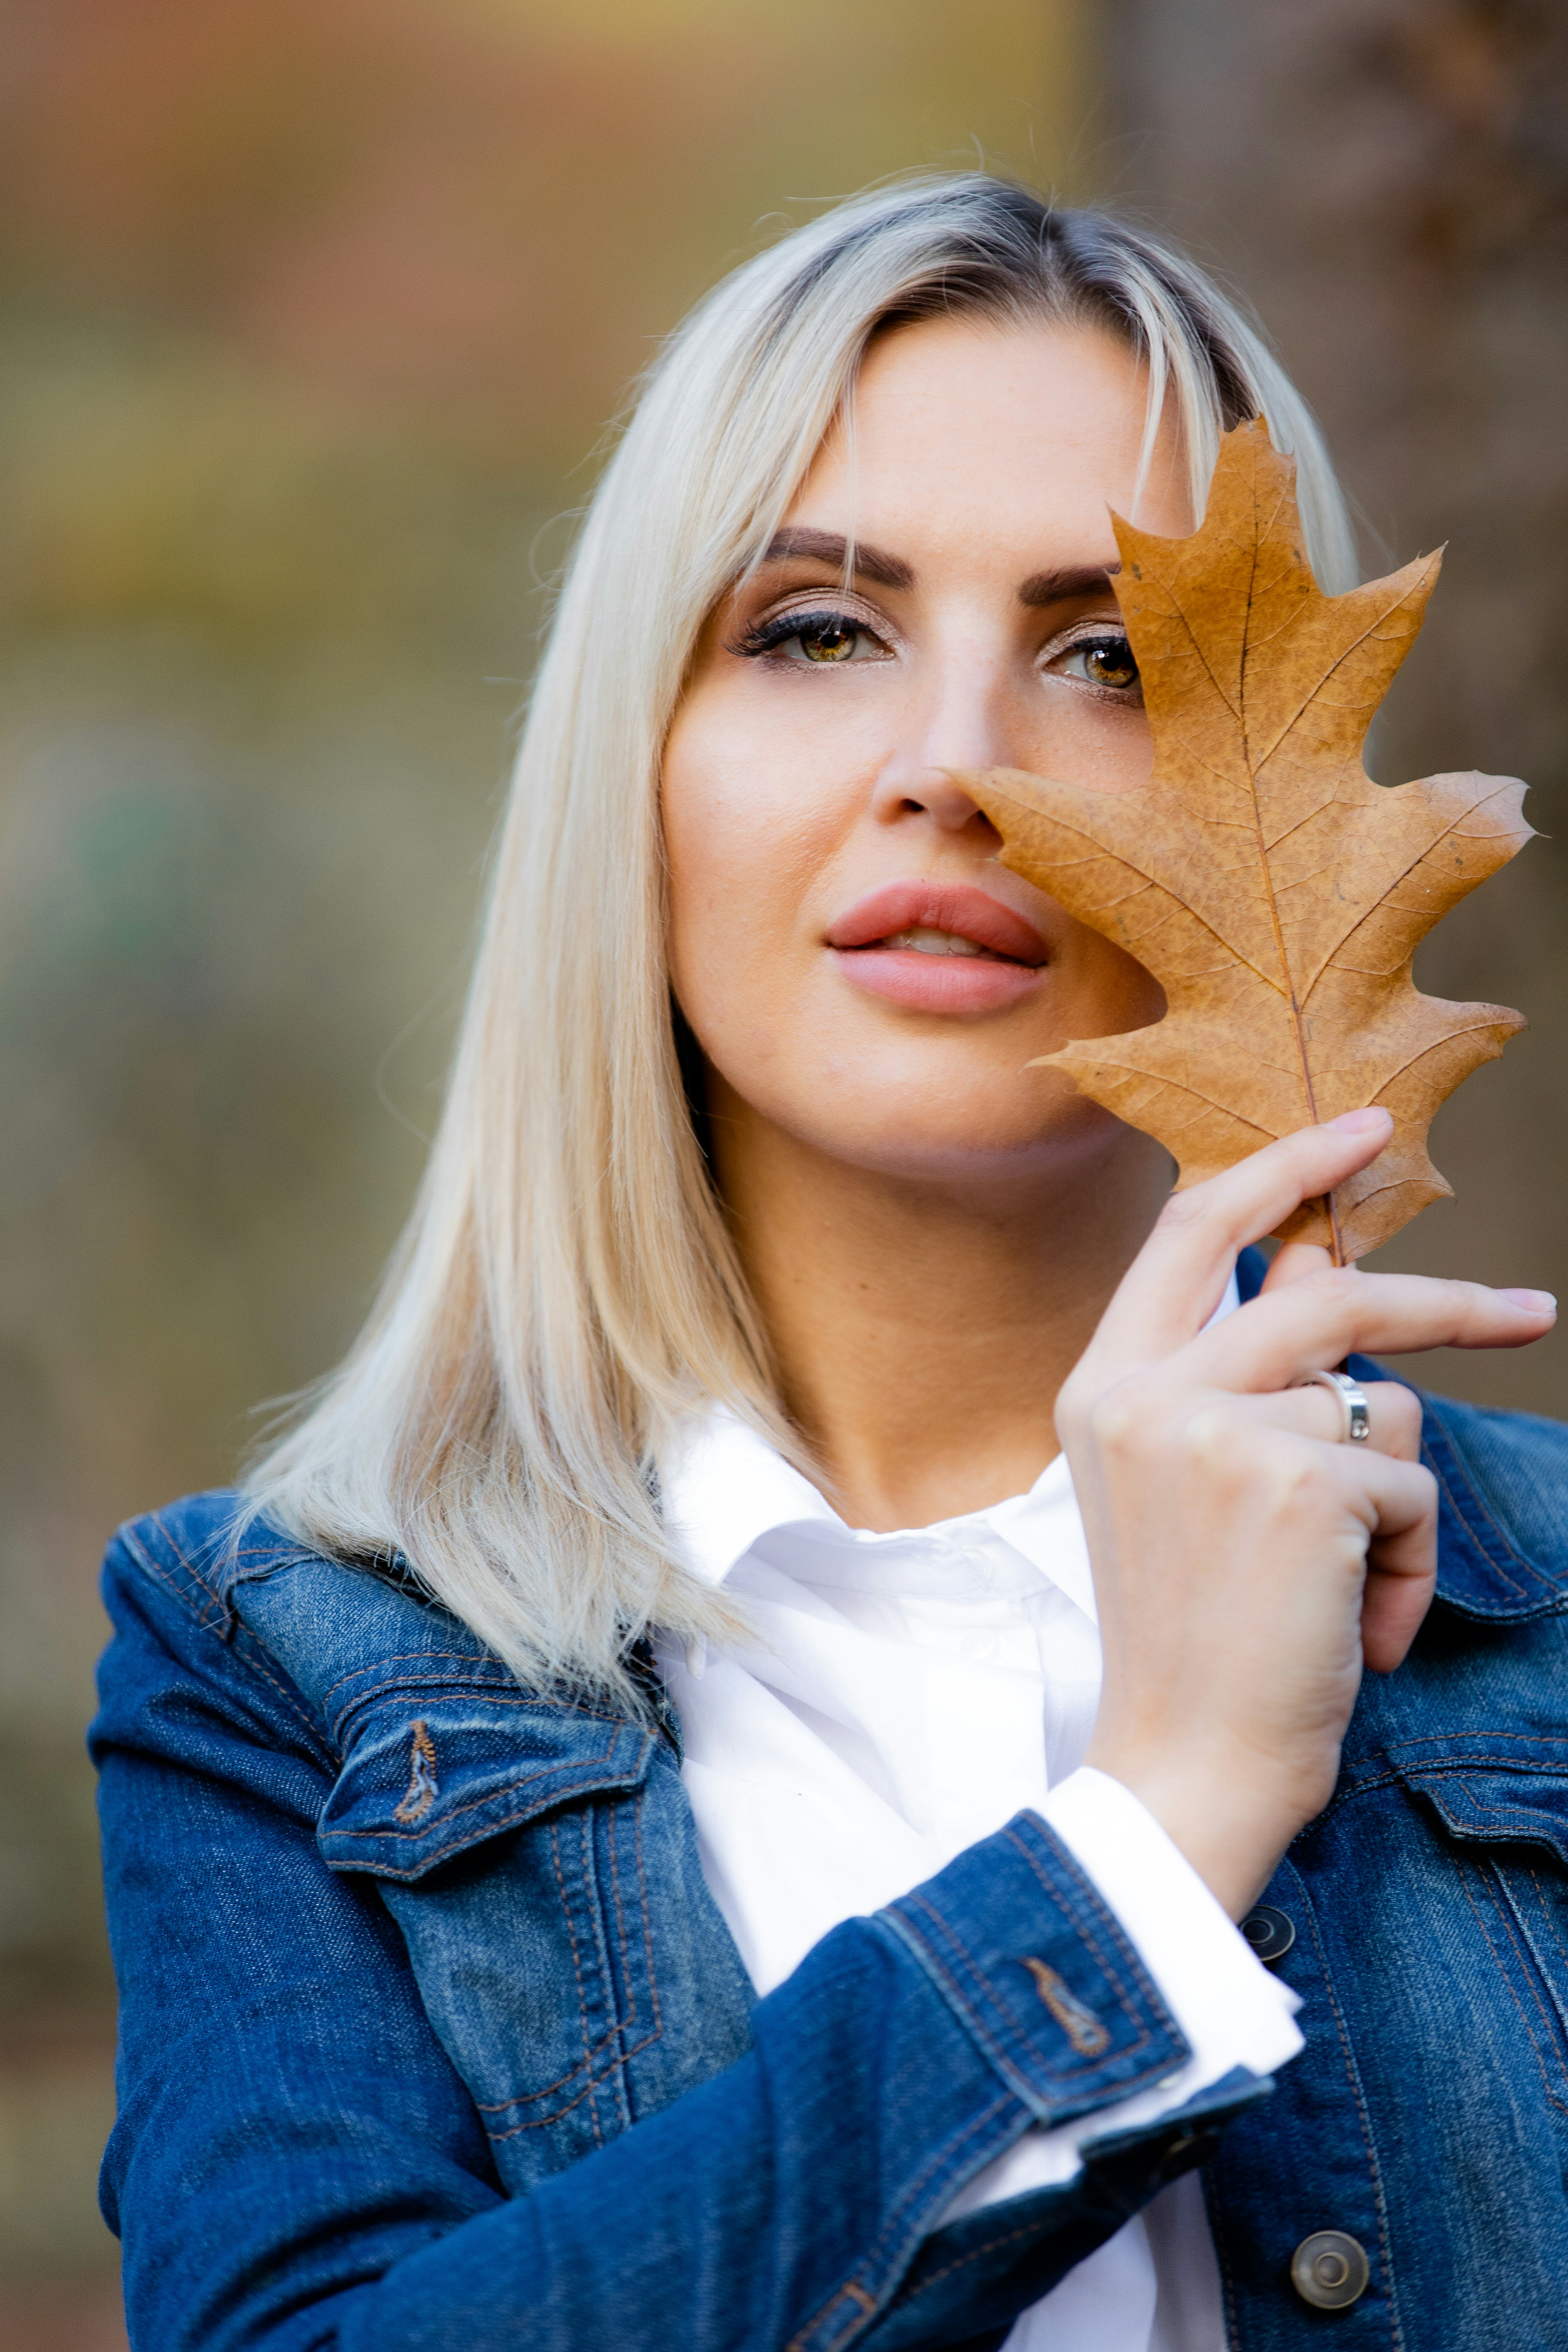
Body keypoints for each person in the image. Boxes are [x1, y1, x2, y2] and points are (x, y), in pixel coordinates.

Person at [91, 175, 1568, 2352]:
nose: (953, 767)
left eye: (1113, 659)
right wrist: (1156, 1842)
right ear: (639, 760)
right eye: (814, 629)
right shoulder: (283, 1666)